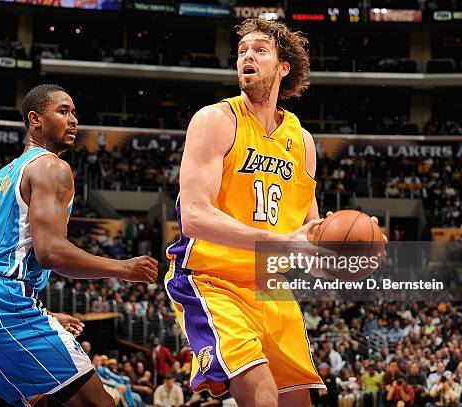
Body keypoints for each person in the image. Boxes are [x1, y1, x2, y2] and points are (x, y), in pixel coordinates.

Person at [165, 18, 386, 406]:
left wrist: (351, 257)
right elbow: (194, 217)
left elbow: (311, 238)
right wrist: (281, 242)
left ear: (284, 67)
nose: (247, 56)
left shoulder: (302, 142)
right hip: (211, 279)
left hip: (270, 287)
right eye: (242, 51)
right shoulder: (216, 120)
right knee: (262, 393)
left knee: (297, 401)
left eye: (260, 50)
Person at [0, 84, 158, 407]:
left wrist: (45, 316)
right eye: (63, 111)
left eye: (75, 112)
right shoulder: (51, 166)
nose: (74, 119)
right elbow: (50, 252)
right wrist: (122, 268)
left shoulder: (2, 176)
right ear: (35, 119)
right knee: (98, 403)